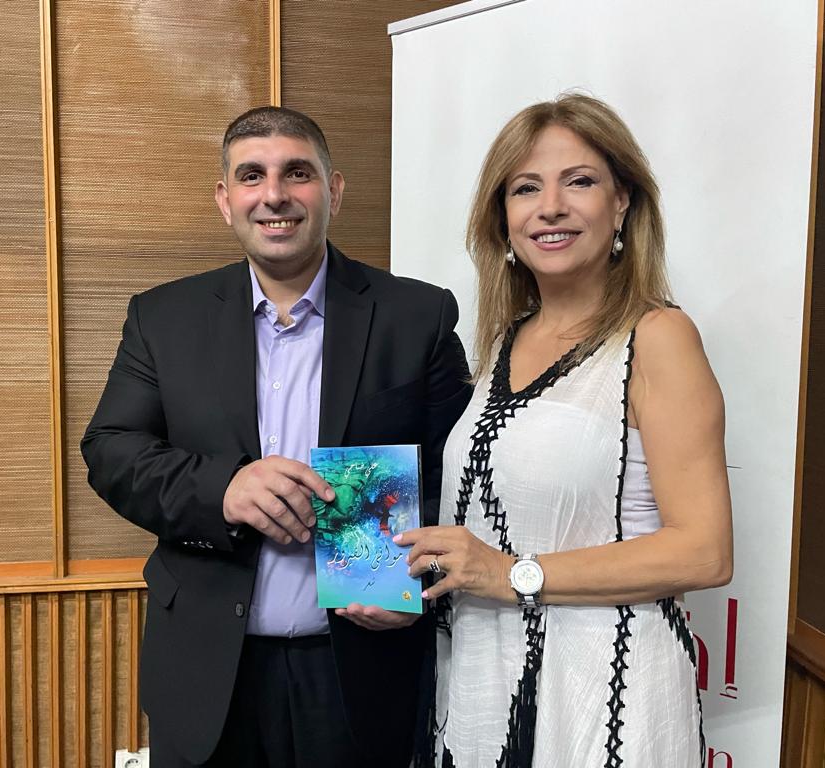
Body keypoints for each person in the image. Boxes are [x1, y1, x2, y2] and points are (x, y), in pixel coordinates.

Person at [81, 106, 471, 768]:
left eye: (297, 173)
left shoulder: (416, 315)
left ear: (334, 190)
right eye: (251, 176)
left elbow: (460, 474)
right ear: (225, 199)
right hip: (209, 672)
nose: (275, 195)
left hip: (362, 667)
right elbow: (111, 450)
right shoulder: (163, 318)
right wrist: (223, 489)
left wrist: (425, 581)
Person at [396, 94, 733, 767]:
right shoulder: (506, 339)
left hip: (603, 695)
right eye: (526, 188)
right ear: (503, 217)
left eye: (578, 181)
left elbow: (705, 553)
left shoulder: (658, 337)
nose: (550, 206)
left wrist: (512, 573)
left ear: (622, 203)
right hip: (484, 684)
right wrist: (406, 578)